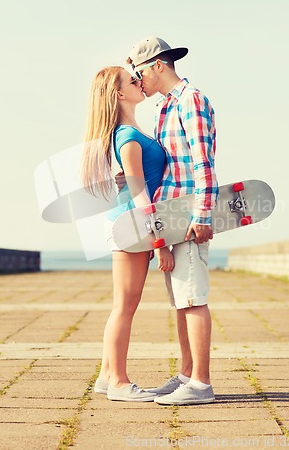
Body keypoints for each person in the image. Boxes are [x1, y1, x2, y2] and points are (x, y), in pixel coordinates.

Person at [122, 37, 218, 405]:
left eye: (140, 72)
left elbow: (202, 161)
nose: (138, 80)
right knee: (182, 300)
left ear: (158, 66)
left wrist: (202, 214)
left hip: (189, 214)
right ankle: (187, 375)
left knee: (192, 298)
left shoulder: (190, 100)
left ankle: (202, 384)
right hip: (171, 215)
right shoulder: (165, 108)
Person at [80, 66, 174, 402]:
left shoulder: (132, 132)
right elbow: (139, 194)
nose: (140, 82)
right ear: (119, 94)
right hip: (130, 226)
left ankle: (107, 376)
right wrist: (159, 241)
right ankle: (119, 382)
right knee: (124, 307)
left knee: (125, 305)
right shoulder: (128, 136)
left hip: (131, 224)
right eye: (133, 81)